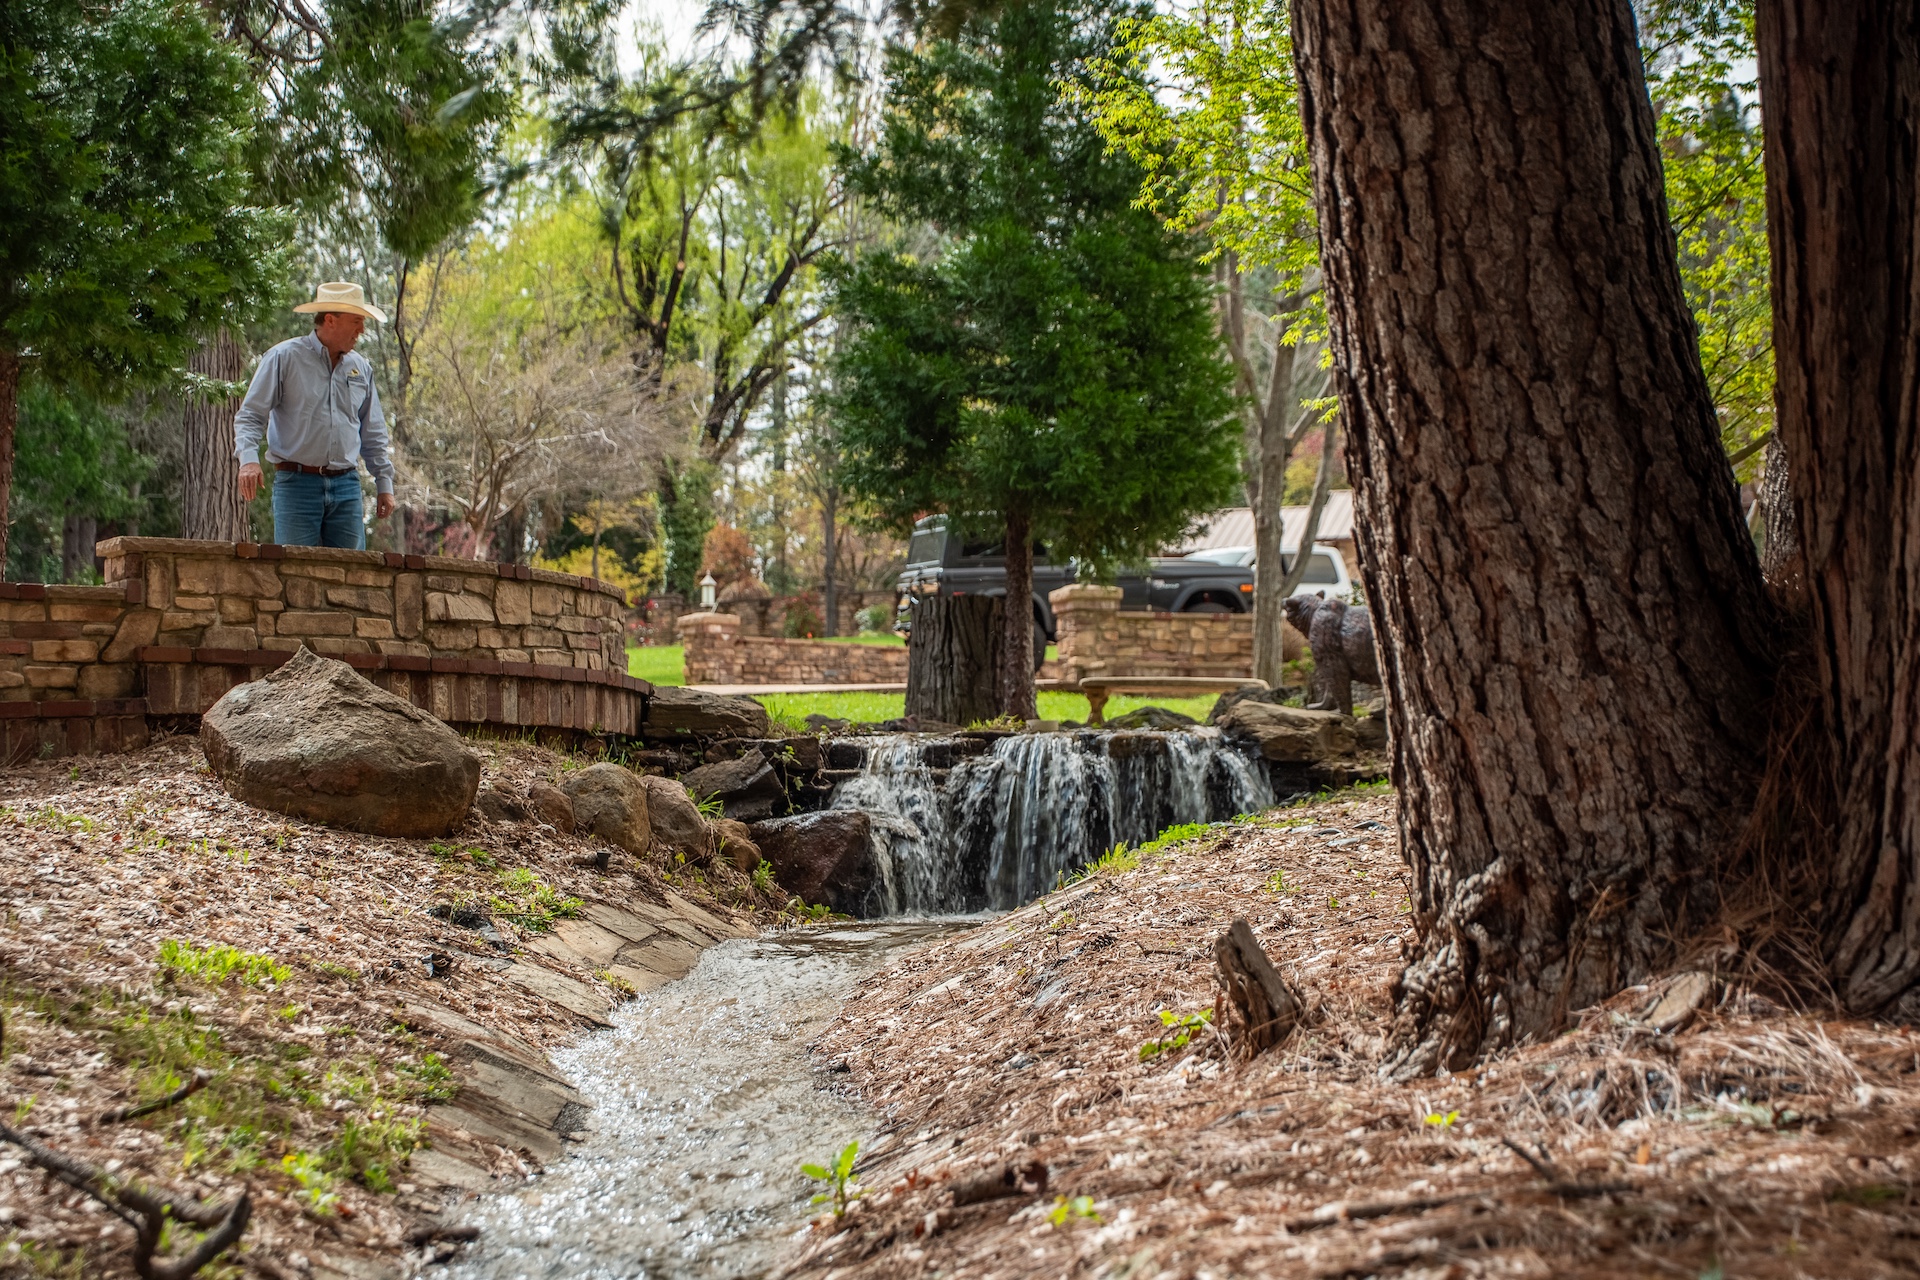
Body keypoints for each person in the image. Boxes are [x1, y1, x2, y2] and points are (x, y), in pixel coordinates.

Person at [233, 281, 396, 548]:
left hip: (347, 487)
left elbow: (374, 432)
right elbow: (251, 415)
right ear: (330, 320)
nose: (362, 330)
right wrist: (248, 461)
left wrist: (384, 483)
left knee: (351, 576)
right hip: (296, 486)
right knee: (296, 574)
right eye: (356, 321)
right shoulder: (283, 358)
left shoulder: (362, 369)